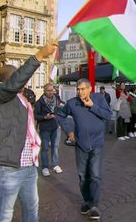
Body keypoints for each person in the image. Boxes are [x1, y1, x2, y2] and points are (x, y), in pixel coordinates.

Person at [0, 41, 57, 222]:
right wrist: (39, 55)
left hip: (28, 165)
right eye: (20, 79)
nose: (25, 82)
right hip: (7, 167)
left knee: (32, 209)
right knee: (4, 215)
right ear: (11, 80)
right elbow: (12, 86)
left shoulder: (20, 99)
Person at [54, 78, 112, 220]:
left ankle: (94, 206)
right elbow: (59, 114)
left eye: (83, 89)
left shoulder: (98, 98)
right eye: (78, 89)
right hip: (81, 144)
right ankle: (87, 201)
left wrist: (93, 106)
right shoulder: (72, 103)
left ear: (90, 88)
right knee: (82, 176)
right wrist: (69, 131)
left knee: (95, 175)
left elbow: (108, 115)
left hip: (97, 143)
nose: (80, 92)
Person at [34, 83, 64, 177]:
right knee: (45, 148)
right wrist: (44, 117)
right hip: (45, 127)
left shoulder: (57, 99)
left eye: (52, 90)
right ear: (44, 91)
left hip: (56, 127)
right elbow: (36, 115)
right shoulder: (39, 102)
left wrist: (60, 121)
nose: (51, 92)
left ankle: (55, 164)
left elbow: (62, 110)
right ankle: (45, 167)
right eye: (48, 90)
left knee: (55, 147)